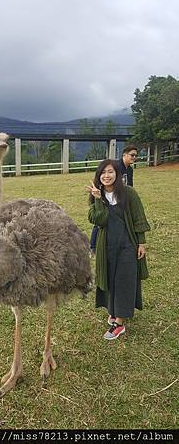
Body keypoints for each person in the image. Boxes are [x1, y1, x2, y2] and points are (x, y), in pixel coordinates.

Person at [86, 159, 150, 340]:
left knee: (123, 281)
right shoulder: (96, 195)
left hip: (127, 246)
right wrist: (98, 200)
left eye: (110, 172)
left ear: (117, 174)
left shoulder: (128, 193)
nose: (106, 176)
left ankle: (119, 323)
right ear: (99, 176)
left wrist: (141, 243)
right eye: (103, 173)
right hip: (106, 246)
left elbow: (138, 218)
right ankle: (114, 311)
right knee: (109, 278)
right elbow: (99, 220)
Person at [89, 145, 138, 255]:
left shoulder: (129, 169)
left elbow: (129, 184)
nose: (134, 157)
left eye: (135, 155)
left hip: (121, 197)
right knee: (100, 222)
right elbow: (104, 180)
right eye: (132, 155)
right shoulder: (116, 166)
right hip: (108, 197)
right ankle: (93, 246)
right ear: (124, 155)